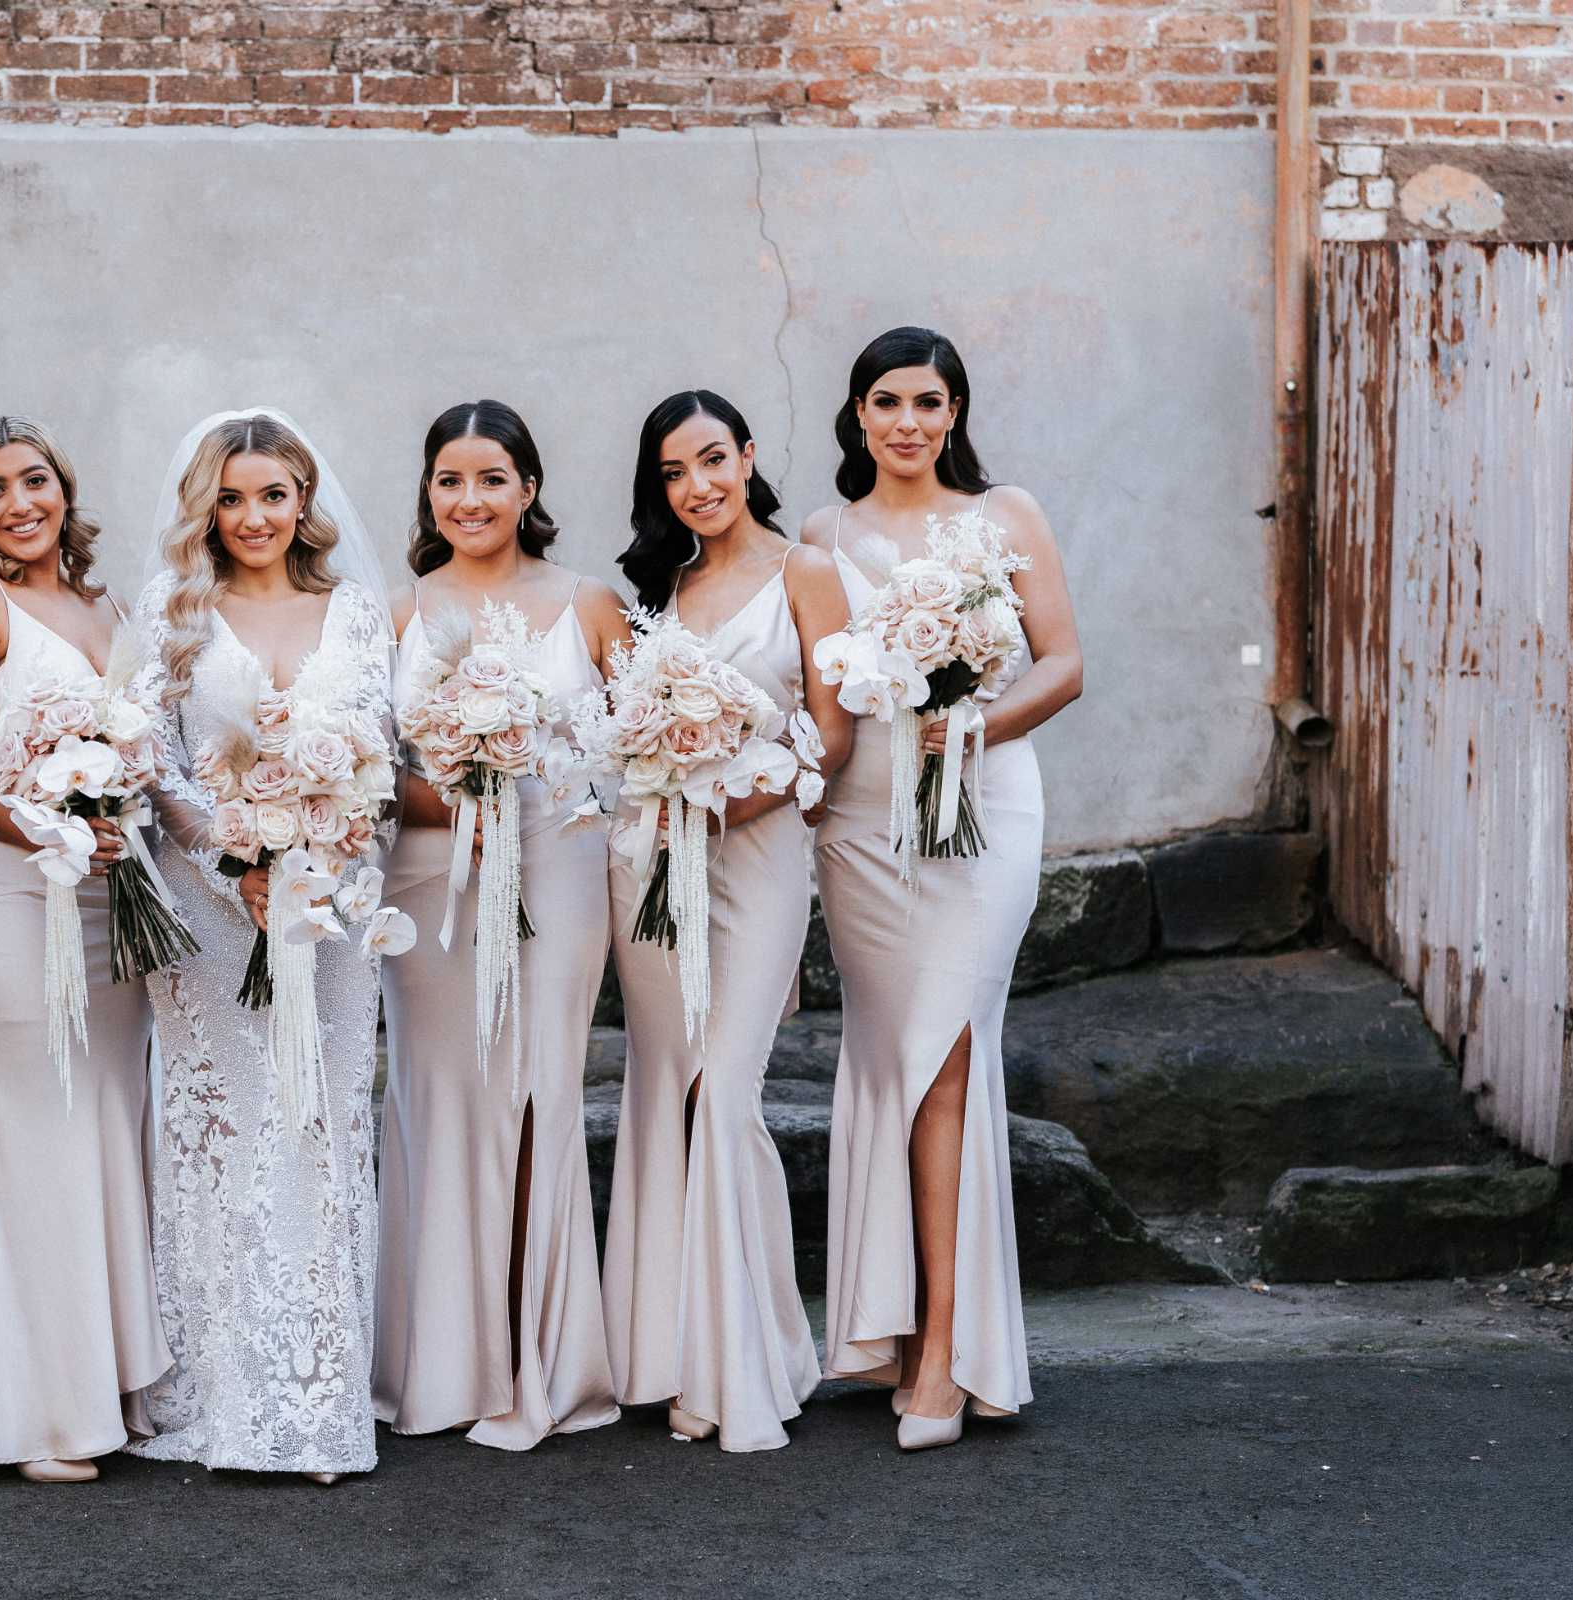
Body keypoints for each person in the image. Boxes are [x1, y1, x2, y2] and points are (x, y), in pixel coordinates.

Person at [803, 327, 1081, 1451]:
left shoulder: (1006, 514)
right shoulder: (822, 537)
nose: (907, 422)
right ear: (859, 416)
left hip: (985, 810)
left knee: (951, 1053)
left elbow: (1064, 663)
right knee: (886, 1059)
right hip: (866, 823)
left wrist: (966, 727)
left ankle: (950, 1356)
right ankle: (890, 1330)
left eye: (928, 401)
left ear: (955, 411)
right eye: (886, 402)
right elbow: (827, 708)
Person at [124, 408, 396, 1483]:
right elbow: (152, 753)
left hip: (329, 913)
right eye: (231, 498)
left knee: (318, 1129)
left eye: (273, 495)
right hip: (207, 910)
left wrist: (318, 846)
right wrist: (228, 852)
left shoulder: (357, 611)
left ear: (304, 501)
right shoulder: (173, 608)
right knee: (223, 1133)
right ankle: (222, 1394)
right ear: (208, 505)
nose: (252, 517)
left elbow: (372, 744)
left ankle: (314, 1401)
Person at [0, 416, 168, 1483]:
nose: (18, 503)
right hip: (3, 891)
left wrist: (112, 817)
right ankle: (42, 1414)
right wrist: (44, 826)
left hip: (106, 897)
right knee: (37, 1127)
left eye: (34, 480)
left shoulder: (106, 605)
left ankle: (105, 1381)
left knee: (103, 1120)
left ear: (65, 487)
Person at [374, 399, 629, 1450]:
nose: (469, 498)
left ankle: (536, 1362)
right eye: (449, 480)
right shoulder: (393, 612)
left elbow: (637, 752)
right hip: (433, 881)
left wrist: (530, 789)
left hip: (561, 879)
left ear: (529, 487)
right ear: (429, 493)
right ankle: (443, 1363)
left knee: (534, 1093)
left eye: (491, 477)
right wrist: (458, 801)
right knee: (443, 1100)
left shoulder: (591, 605)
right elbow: (374, 769)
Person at [603, 390, 853, 1452]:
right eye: (674, 472)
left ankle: (746, 1356)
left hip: (757, 855)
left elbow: (834, 734)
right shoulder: (658, 589)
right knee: (671, 1086)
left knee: (731, 1085)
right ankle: (666, 1353)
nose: (697, 486)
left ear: (748, 457)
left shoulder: (806, 571)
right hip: (653, 865)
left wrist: (740, 795)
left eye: (713, 460)